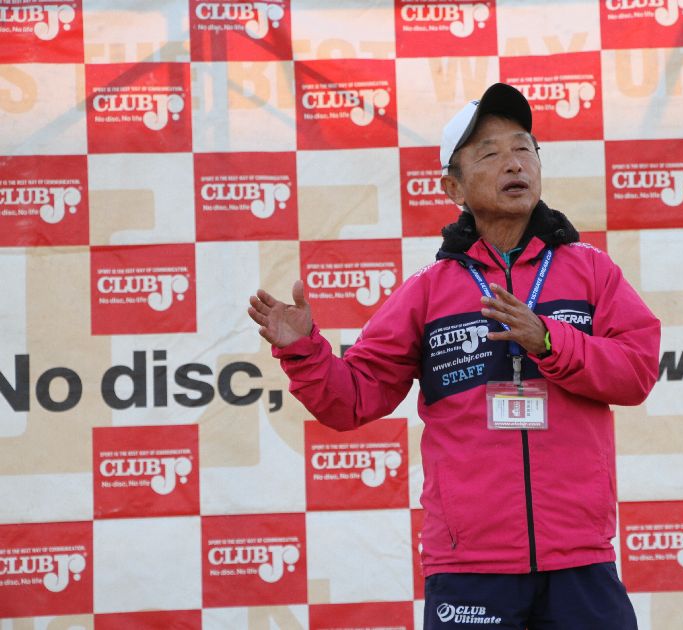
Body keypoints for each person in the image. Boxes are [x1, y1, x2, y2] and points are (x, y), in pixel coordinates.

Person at [247, 83, 660, 629]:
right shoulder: (428, 291)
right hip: (469, 566)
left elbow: (636, 372)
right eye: (489, 154)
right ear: (453, 186)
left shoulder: (591, 271)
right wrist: (304, 351)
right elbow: (352, 401)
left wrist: (548, 340)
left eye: (524, 148)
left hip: (580, 558)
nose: (513, 163)